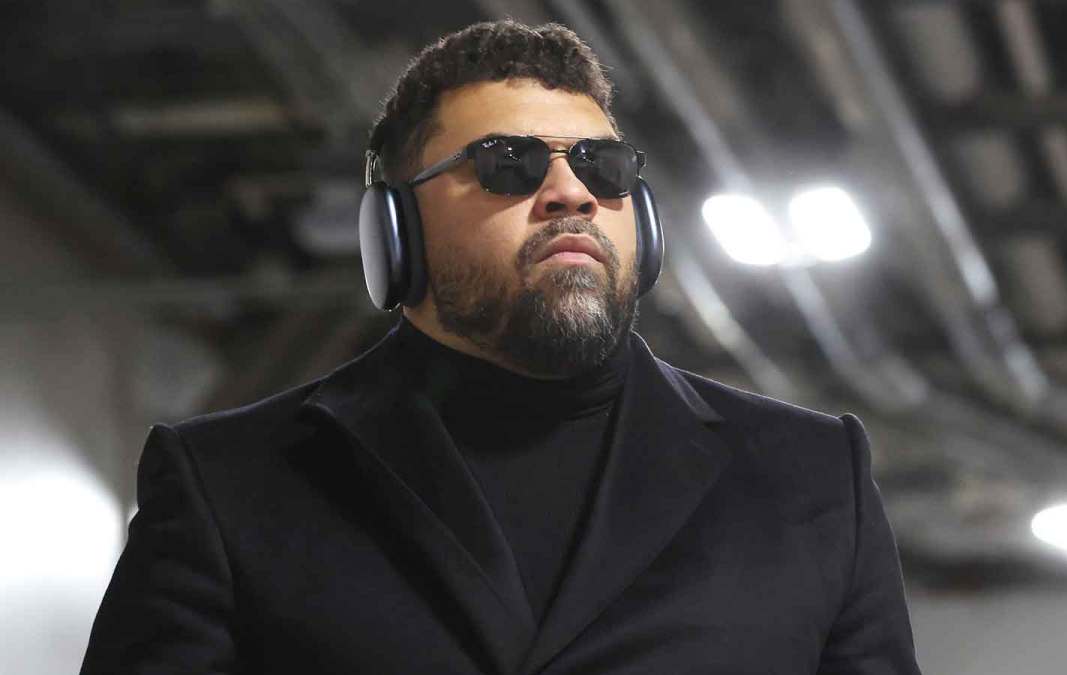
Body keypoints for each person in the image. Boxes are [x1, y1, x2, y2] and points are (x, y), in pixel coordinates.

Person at [81, 20, 922, 675]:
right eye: (509, 164)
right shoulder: (228, 484)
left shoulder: (811, 477)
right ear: (396, 231)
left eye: (603, 165)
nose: (570, 193)